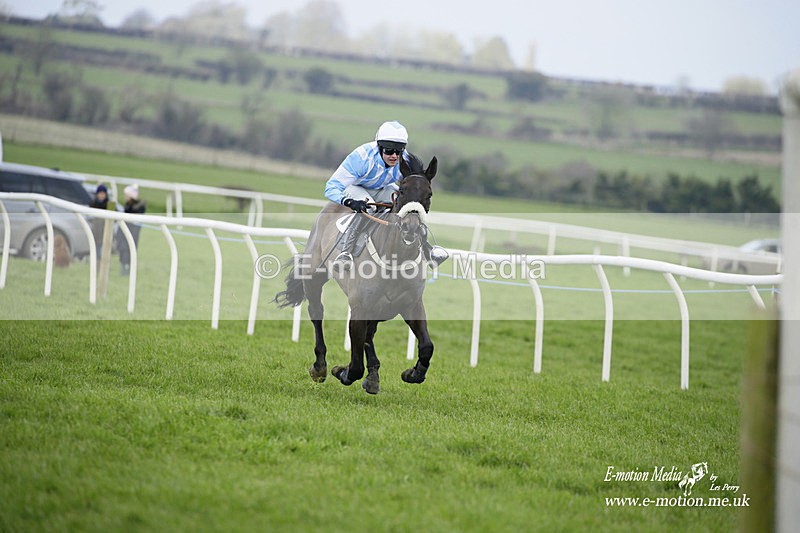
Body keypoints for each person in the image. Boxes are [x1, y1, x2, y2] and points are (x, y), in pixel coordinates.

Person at [324, 120, 448, 272]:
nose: (394, 156)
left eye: (399, 151)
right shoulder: (361, 158)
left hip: (381, 187)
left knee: (403, 205)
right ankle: (346, 253)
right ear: (379, 147)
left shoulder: (405, 159)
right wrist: (349, 201)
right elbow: (330, 187)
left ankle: (427, 249)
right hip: (355, 187)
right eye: (389, 151)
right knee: (368, 206)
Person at [117, 184, 146, 276]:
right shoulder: (128, 206)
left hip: (132, 232)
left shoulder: (137, 207)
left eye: (127, 195)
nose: (125, 197)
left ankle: (127, 269)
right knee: (123, 249)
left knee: (128, 250)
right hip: (124, 233)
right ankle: (124, 268)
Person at [89, 184, 109, 257]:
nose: (102, 195)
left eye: (103, 194)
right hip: (96, 228)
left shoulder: (108, 204)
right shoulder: (93, 203)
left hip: (105, 229)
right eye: (100, 193)